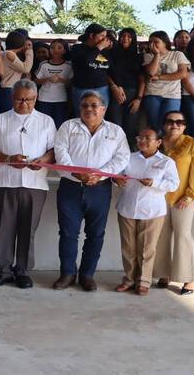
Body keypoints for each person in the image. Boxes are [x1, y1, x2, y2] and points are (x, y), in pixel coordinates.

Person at [53, 91, 130, 291]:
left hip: (100, 189)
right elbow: (61, 153)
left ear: (103, 109)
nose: (89, 109)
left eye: (94, 105)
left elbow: (122, 158)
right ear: (80, 108)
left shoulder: (116, 131)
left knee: (95, 234)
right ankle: (67, 274)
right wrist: (78, 174)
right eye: (85, 105)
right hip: (70, 187)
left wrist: (101, 175)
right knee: (68, 233)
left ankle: (87, 275)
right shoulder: (68, 127)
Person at [0, 80, 55, 289]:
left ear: (36, 98)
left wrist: (43, 161)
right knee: (6, 228)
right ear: (12, 98)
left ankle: (22, 271)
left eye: (29, 99)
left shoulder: (46, 121)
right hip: (5, 182)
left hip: (35, 183)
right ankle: (3, 270)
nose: (24, 103)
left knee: (27, 229)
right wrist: (7, 159)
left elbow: (53, 150)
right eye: (20, 99)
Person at [113, 128, 180, 296]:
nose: (142, 140)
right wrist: (117, 180)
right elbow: (116, 174)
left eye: (147, 138)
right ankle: (129, 279)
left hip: (152, 210)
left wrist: (154, 183)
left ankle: (143, 281)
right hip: (127, 207)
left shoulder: (166, 162)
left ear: (158, 142)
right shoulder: (128, 158)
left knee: (146, 248)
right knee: (128, 247)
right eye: (140, 137)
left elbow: (173, 184)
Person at [154, 111, 194, 295]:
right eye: (170, 121)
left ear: (184, 125)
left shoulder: (193, 144)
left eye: (179, 122)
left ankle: (188, 279)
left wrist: (191, 195)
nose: (174, 125)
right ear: (164, 124)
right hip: (158, 197)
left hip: (183, 198)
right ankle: (163, 273)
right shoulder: (157, 143)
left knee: (183, 236)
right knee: (161, 236)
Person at [106, 28, 144, 150]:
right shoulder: (111, 54)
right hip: (115, 93)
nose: (125, 39)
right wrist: (114, 87)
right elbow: (106, 73)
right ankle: (113, 153)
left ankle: (129, 156)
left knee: (131, 128)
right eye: (122, 36)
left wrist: (138, 99)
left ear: (133, 39)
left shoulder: (139, 57)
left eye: (129, 36)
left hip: (133, 94)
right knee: (115, 125)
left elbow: (142, 79)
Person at [143, 31, 189, 131]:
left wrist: (159, 77)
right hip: (152, 94)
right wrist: (157, 55)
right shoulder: (148, 55)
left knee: (169, 124)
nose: (152, 44)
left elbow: (183, 73)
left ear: (165, 42)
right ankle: (157, 146)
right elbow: (151, 72)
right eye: (150, 42)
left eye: (156, 42)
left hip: (173, 95)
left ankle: (167, 146)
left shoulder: (177, 54)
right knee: (155, 126)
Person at [69, 23, 111, 115]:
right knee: (82, 116)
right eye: (102, 36)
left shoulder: (104, 50)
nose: (104, 39)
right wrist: (99, 47)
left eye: (105, 37)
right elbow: (86, 61)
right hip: (82, 88)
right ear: (92, 35)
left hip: (102, 88)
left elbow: (109, 68)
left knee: (100, 117)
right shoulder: (77, 48)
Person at [34, 38, 72, 129]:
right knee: (43, 125)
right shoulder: (43, 64)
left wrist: (60, 80)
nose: (55, 50)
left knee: (59, 125)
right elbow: (36, 81)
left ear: (65, 50)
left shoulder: (69, 65)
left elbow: (71, 83)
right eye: (53, 47)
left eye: (59, 48)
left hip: (61, 99)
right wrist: (47, 79)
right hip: (44, 99)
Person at [0, 31, 33, 114]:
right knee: (10, 116)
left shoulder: (3, 53)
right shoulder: (10, 54)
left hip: (5, 89)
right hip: (8, 89)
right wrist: (29, 51)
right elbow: (26, 68)